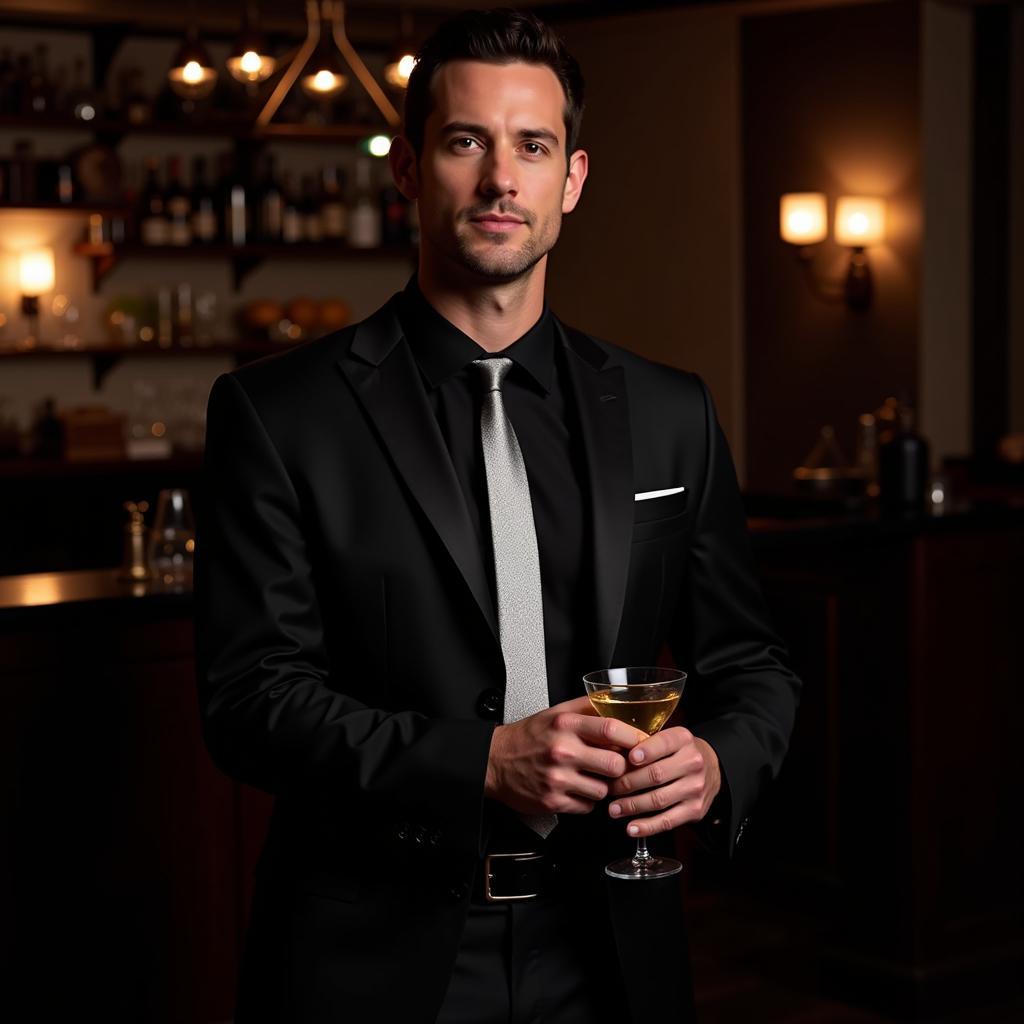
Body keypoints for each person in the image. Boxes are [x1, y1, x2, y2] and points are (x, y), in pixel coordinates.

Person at [195, 8, 801, 1023]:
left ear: (571, 179)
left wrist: (713, 759)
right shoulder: (276, 412)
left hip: (609, 947)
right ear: (407, 171)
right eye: (466, 141)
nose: (499, 180)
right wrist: (480, 761)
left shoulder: (668, 411)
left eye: (532, 145)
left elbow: (751, 665)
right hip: (369, 957)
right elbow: (251, 701)